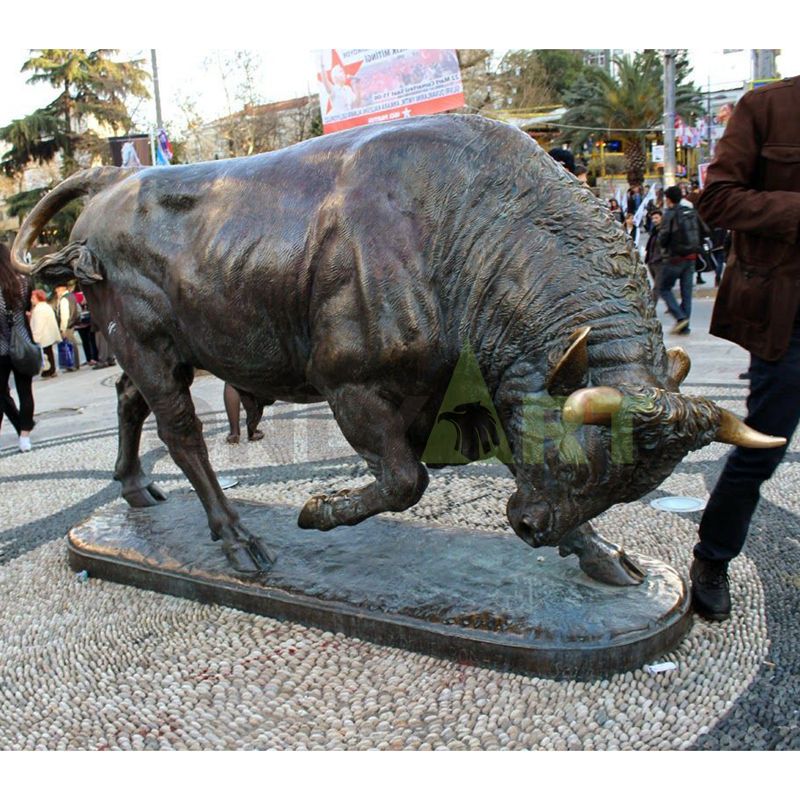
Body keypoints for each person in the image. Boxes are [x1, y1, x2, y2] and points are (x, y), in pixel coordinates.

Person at [689, 75, 800, 622]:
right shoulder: (768, 106)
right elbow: (717, 198)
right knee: (763, 446)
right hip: (788, 317)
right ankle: (712, 558)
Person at [0, 243, 35, 452]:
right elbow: (27, 309)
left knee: (2, 393)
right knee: (25, 392)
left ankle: (20, 424)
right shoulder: (23, 282)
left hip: (1, 349)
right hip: (23, 344)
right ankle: (25, 437)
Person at [658, 185, 704, 334]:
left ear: (669, 199)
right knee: (686, 292)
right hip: (691, 257)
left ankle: (680, 317)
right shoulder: (691, 212)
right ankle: (685, 326)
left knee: (663, 288)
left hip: (674, 258)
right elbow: (703, 230)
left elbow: (663, 237)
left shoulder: (670, 214)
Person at [29, 289, 60, 378]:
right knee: (49, 353)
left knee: (45, 355)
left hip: (43, 336)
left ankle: (47, 371)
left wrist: (35, 338)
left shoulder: (39, 309)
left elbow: (39, 325)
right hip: (49, 334)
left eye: (33, 298)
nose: (31, 300)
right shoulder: (46, 306)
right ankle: (52, 370)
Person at [54, 283, 81, 370]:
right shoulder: (71, 296)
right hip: (72, 322)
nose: (56, 291)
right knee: (72, 344)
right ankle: (74, 363)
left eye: (57, 289)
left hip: (67, 325)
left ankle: (73, 364)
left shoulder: (64, 299)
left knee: (70, 344)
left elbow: (64, 316)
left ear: (62, 288)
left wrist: (63, 329)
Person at [644, 209, 665, 305]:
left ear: (662, 218)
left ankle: (651, 307)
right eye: (653, 218)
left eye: (656, 218)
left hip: (660, 261)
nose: (654, 220)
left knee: (657, 287)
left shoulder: (664, 230)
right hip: (651, 261)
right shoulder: (654, 230)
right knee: (663, 286)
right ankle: (671, 305)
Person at [73, 288, 98, 366]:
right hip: (89, 321)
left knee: (85, 342)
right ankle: (95, 357)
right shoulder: (85, 293)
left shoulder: (75, 296)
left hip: (80, 324)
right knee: (92, 340)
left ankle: (89, 358)